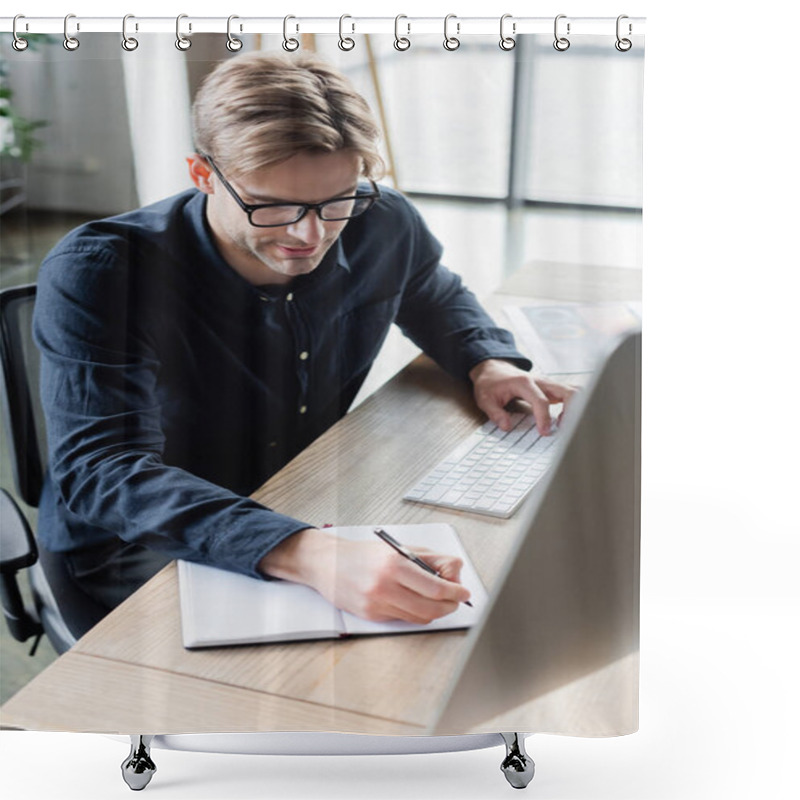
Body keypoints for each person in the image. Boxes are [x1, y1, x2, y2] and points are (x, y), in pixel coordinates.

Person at [33, 53, 574, 627]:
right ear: (202, 175)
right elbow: (104, 470)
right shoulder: (102, 270)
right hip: (138, 543)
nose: (309, 234)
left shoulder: (381, 219)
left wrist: (485, 360)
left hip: (301, 496)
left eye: (336, 201)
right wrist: (311, 553)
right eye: (271, 206)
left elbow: (431, 291)